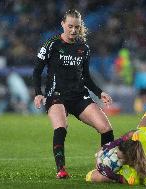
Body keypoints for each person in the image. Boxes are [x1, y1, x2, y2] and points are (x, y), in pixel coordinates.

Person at [33, 9, 114, 179]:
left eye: (77, 27)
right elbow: (37, 71)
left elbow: (86, 77)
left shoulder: (83, 48)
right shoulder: (51, 44)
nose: (73, 30)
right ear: (63, 24)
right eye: (70, 26)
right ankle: (61, 169)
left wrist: (100, 93)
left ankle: (105, 167)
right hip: (56, 95)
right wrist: (38, 93)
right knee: (61, 127)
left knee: (106, 128)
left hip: (78, 96)